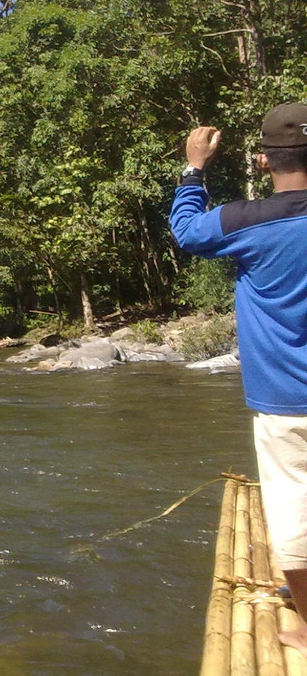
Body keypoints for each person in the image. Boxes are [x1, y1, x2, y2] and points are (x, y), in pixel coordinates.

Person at [170, 102, 307, 655]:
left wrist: (194, 167)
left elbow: (186, 230)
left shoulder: (244, 221)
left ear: (262, 160)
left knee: (293, 507)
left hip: (285, 398)